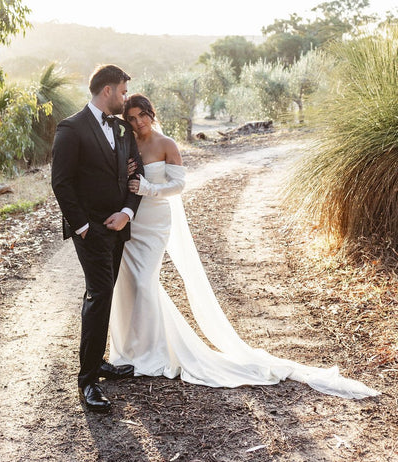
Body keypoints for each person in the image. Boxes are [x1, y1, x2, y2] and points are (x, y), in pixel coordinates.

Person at [109, 93, 379, 399]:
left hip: (155, 221)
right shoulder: (128, 142)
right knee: (129, 284)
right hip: (132, 220)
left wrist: (150, 188)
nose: (137, 122)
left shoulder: (166, 144)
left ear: (150, 113)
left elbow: (179, 185)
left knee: (145, 282)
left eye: (141, 115)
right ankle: (132, 350)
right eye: (131, 118)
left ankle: (153, 354)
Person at [51, 65, 144, 412]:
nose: (124, 97)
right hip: (90, 231)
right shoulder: (71, 129)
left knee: (102, 294)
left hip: (119, 227)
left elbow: (137, 175)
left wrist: (127, 213)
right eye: (122, 92)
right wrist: (83, 227)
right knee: (100, 292)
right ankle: (87, 380)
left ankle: (98, 362)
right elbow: (62, 182)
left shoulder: (122, 129)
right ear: (107, 90)